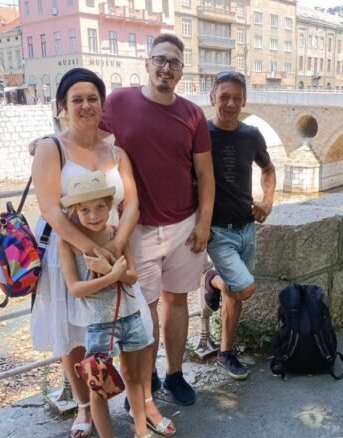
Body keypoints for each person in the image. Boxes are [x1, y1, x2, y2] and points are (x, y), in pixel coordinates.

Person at [30, 68, 166, 438]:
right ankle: (85, 406)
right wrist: (94, 251)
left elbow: (132, 203)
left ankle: (138, 404)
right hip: (69, 250)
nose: (86, 105)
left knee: (127, 324)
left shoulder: (116, 152)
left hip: (115, 245)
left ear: (102, 104)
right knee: (75, 333)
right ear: (63, 106)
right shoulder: (51, 148)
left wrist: (115, 247)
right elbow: (50, 209)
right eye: (77, 99)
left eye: (92, 98)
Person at [99, 33, 215, 406]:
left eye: (174, 62)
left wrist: (203, 224)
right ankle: (146, 380)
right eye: (160, 60)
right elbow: (87, 140)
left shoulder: (192, 114)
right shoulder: (119, 102)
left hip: (184, 225)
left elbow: (206, 175)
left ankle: (175, 374)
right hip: (136, 228)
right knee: (143, 307)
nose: (166, 68)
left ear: (181, 71)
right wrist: (50, 144)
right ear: (147, 63)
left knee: (177, 301)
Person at [57, 172, 165, 438]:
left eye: (100, 207)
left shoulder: (117, 234)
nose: (93, 215)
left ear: (109, 206)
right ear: (75, 211)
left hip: (131, 316)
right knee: (99, 387)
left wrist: (114, 272)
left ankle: (142, 433)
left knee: (135, 377)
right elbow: (76, 288)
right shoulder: (68, 243)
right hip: (99, 325)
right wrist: (111, 275)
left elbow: (132, 275)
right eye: (84, 210)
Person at [201, 71, 276, 380]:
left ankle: (225, 353)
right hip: (217, 231)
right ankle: (211, 280)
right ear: (212, 99)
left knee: (235, 292)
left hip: (246, 227)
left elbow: (268, 169)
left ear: (244, 101)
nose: (230, 104)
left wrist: (267, 201)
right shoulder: (200, 134)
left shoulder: (251, 135)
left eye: (236, 98)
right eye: (224, 97)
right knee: (244, 287)